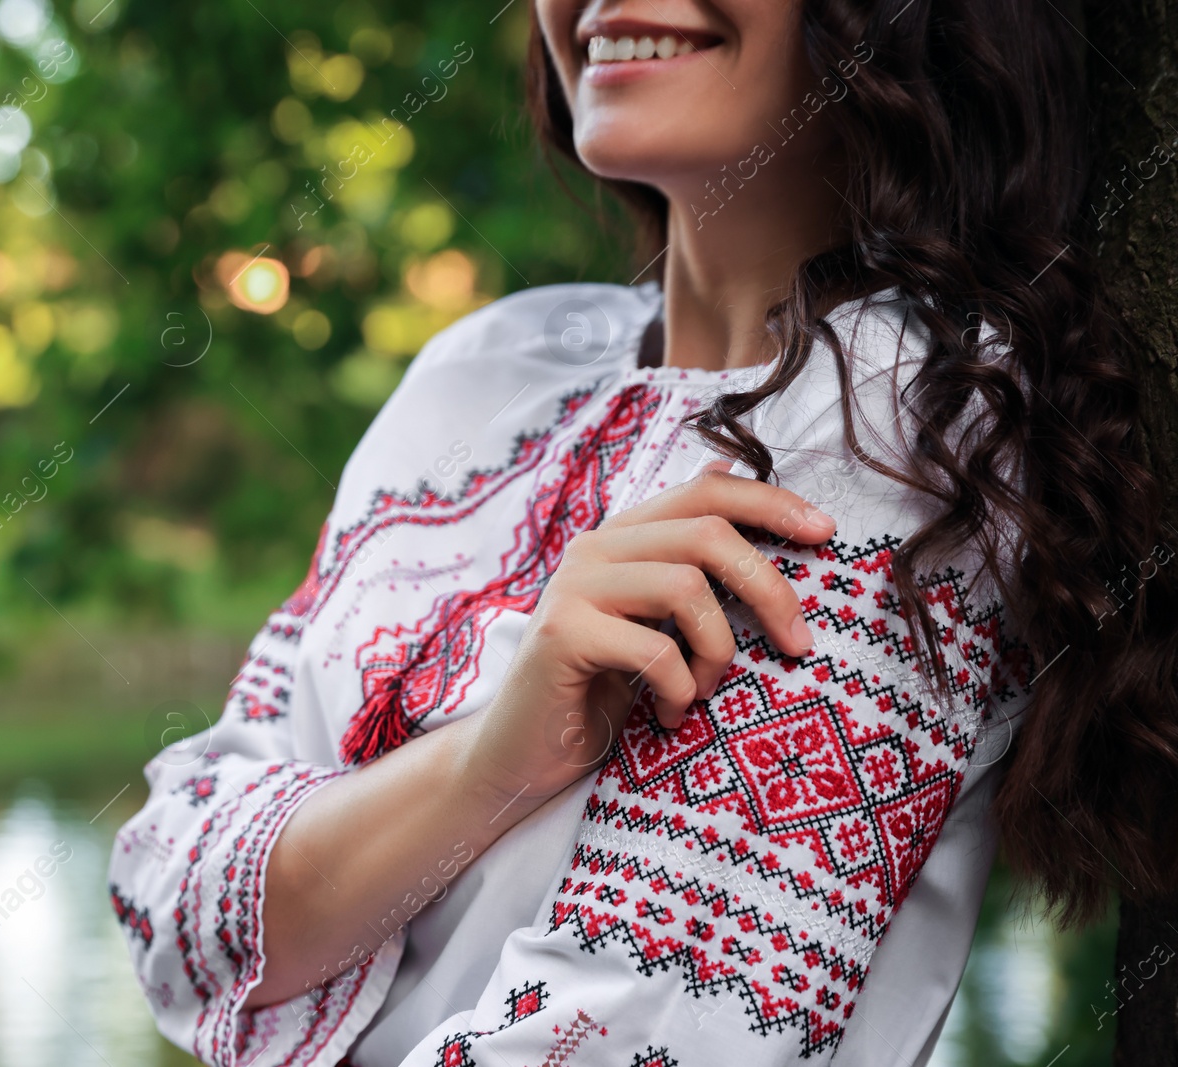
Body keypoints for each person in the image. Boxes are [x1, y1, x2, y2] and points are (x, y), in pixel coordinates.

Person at [109, 1, 1178, 1063]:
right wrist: (489, 765)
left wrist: (332, 867)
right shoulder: (488, 371)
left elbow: (635, 1036)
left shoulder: (907, 422)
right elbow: (171, 904)